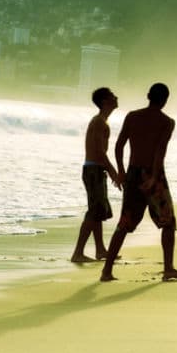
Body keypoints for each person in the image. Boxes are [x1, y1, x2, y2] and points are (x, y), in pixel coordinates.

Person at [100, 83, 177, 282]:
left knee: (124, 223)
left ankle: (106, 271)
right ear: (165, 100)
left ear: (148, 96)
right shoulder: (167, 122)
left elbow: (119, 145)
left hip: (132, 174)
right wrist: (153, 178)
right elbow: (160, 152)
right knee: (168, 221)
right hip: (153, 176)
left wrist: (122, 171)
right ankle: (168, 269)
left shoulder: (133, 116)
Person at [71, 87, 121, 263]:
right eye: (112, 96)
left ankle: (100, 250)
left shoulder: (101, 121)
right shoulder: (99, 122)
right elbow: (100, 152)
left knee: (98, 210)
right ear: (105, 102)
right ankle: (78, 252)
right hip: (94, 169)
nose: (116, 97)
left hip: (95, 169)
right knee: (94, 211)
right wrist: (113, 172)